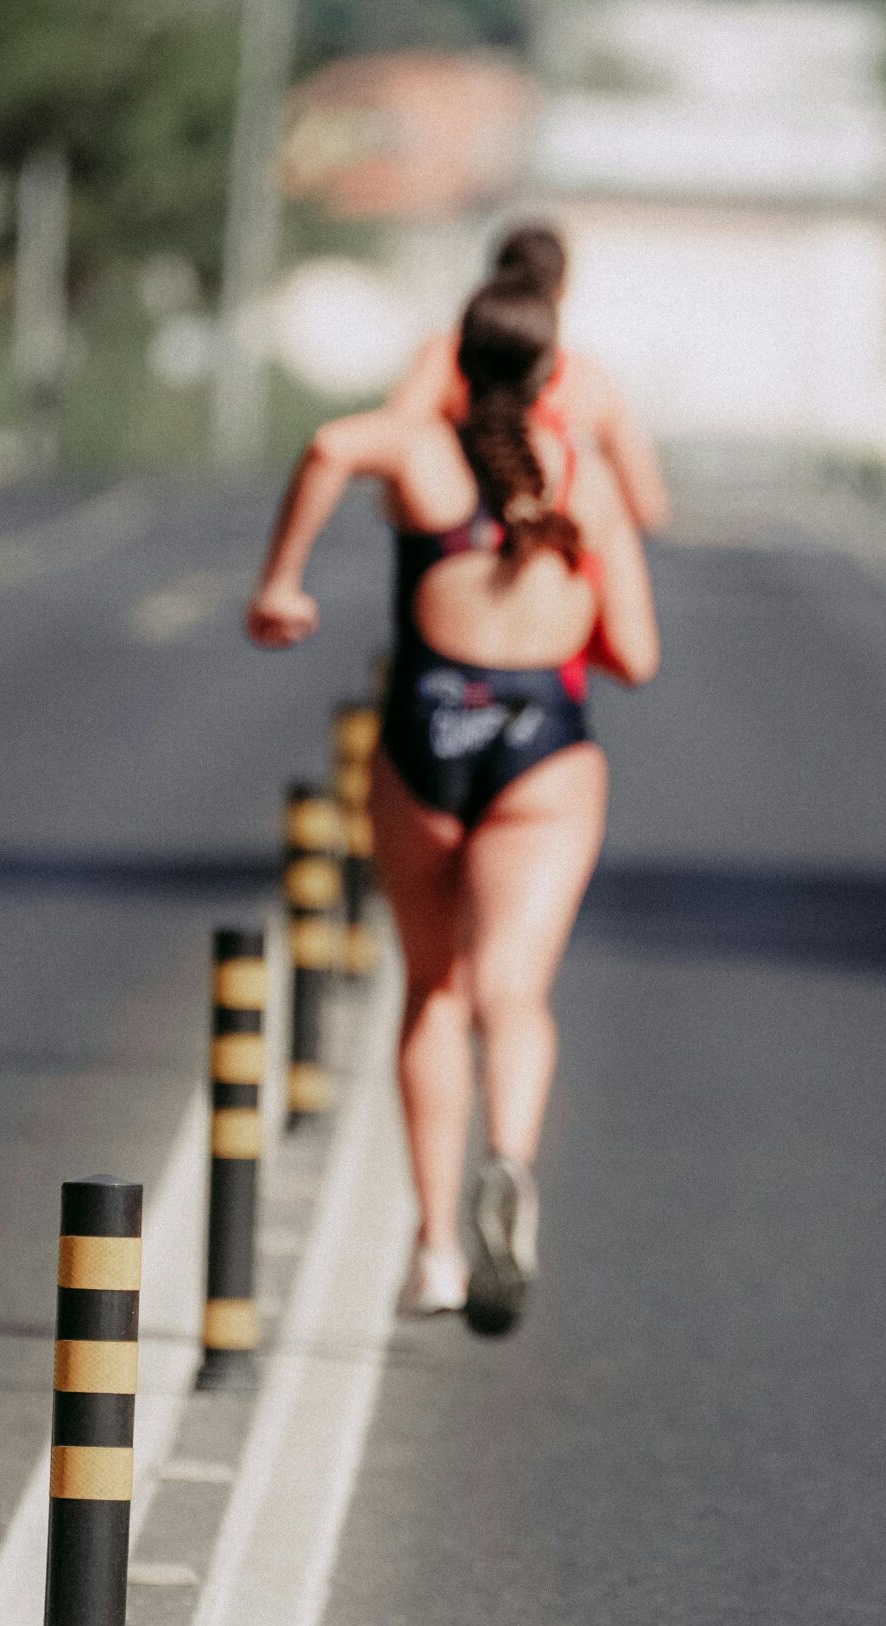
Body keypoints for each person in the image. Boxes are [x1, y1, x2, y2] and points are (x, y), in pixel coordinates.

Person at [246, 268, 661, 1334]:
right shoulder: (585, 481)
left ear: (456, 365)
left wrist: (282, 581)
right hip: (542, 746)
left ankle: (433, 1248)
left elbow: (329, 445)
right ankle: (508, 1158)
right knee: (511, 993)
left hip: (427, 731)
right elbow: (637, 656)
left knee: (432, 989)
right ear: (552, 373)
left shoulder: (420, 453)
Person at [385, 223, 672, 537]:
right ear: (563, 288)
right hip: (557, 550)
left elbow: (392, 454)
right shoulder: (592, 381)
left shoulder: (444, 355)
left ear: (495, 280)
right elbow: (648, 507)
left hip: (449, 545)